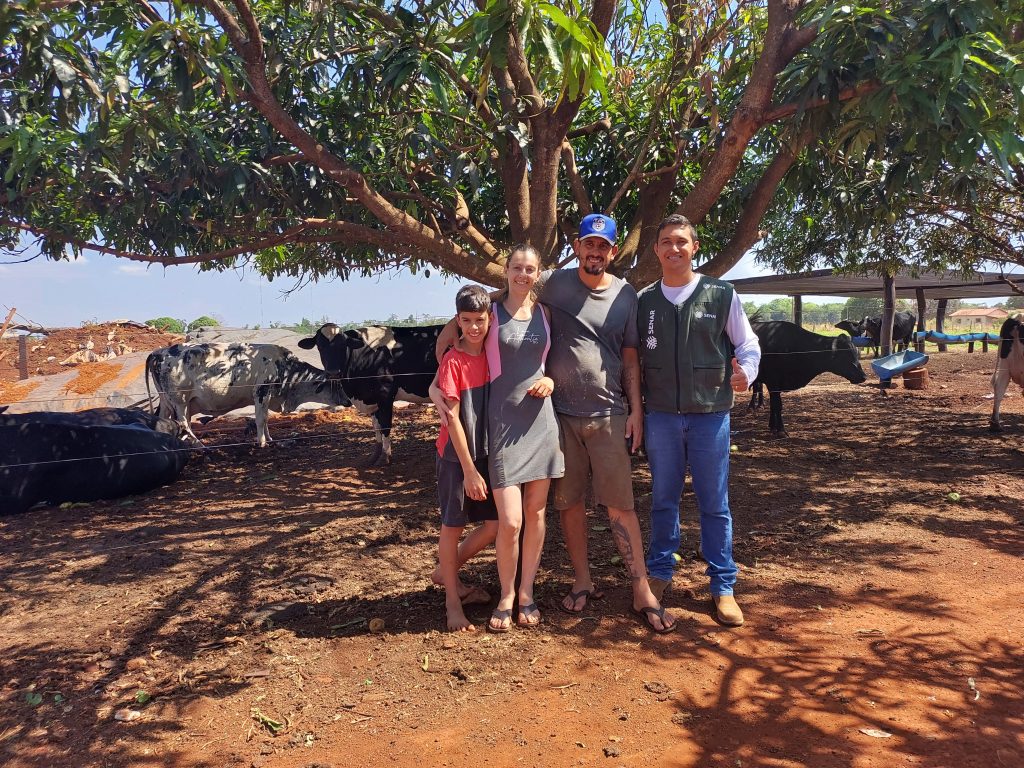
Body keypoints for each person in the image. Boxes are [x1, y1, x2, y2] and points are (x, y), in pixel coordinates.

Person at [436, 217, 675, 634]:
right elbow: (462, 332)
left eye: (603, 246)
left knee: (585, 508)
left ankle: (621, 590)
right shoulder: (520, 299)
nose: (595, 252)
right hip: (531, 422)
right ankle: (539, 589)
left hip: (578, 418)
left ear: (612, 251)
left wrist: (629, 407)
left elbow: (621, 355)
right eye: (588, 244)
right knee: (537, 514)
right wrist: (438, 382)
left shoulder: (595, 300)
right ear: (577, 247)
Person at [635, 214, 761, 627]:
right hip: (662, 417)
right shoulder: (644, 301)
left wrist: (746, 372)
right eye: (666, 242)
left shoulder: (721, 294)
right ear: (656, 250)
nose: (674, 249)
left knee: (714, 503)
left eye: (681, 242)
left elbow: (747, 343)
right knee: (663, 499)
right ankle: (659, 573)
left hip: (710, 416)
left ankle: (723, 585)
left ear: (695, 247)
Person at [480, 244, 564, 632]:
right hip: (501, 424)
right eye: (517, 267)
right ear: (506, 270)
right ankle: (506, 594)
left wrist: (551, 380)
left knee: (536, 513)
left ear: (538, 274)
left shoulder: (546, 313)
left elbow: (555, 362)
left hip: (540, 424)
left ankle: (526, 592)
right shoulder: (490, 310)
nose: (523, 274)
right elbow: (449, 344)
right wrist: (437, 388)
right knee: (511, 521)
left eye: (530, 269)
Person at [434, 285, 499, 632]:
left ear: (490, 319)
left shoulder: (493, 354)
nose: (474, 327)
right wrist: (470, 470)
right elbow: (453, 420)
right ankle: (452, 604)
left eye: (480, 320)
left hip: (486, 451)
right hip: (456, 458)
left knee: (495, 525)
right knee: (453, 525)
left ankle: (446, 572)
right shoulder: (453, 361)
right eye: (467, 320)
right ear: (457, 321)